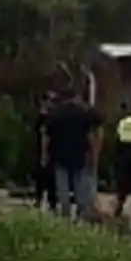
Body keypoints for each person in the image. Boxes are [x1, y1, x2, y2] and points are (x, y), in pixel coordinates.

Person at [43, 90, 102, 220]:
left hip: (60, 155)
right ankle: (81, 213)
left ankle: (65, 213)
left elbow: (47, 137)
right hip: (79, 155)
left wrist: (44, 155)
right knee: (79, 186)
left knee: (62, 187)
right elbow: (90, 137)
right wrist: (93, 156)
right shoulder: (83, 115)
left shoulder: (55, 114)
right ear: (76, 97)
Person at [33, 93, 58, 212]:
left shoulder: (54, 117)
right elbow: (41, 133)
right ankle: (39, 198)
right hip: (42, 149)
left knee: (52, 177)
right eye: (50, 101)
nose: (52, 104)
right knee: (40, 176)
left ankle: (52, 202)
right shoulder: (42, 117)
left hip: (53, 150)